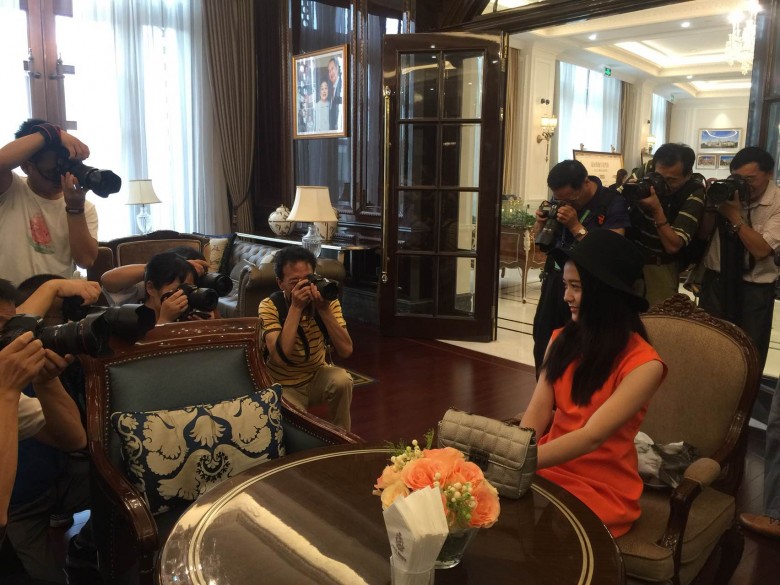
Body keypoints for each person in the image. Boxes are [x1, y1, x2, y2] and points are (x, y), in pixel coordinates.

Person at [518, 230, 666, 538]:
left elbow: (592, 437)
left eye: (576, 287)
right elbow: (537, 411)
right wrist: (516, 449)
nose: (566, 297)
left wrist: (521, 459)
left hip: (600, 488)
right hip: (546, 466)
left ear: (606, 293)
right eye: (565, 285)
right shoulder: (561, 339)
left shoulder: (644, 365)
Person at [692, 146, 780, 540]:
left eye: (751, 179)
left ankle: (737, 436)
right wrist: (712, 207)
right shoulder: (725, 195)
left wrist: (734, 216)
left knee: (747, 361)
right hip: (716, 283)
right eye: (737, 178)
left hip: (754, 290)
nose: (743, 185)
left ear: (768, 174)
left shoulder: (777, 203)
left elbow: (761, 250)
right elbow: (700, 237)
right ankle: (705, 432)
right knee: (709, 357)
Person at [0, 278, 92, 582]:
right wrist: (6, 392)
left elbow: (73, 439)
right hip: (16, 513)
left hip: (52, 486)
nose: (9, 342)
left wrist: (46, 381)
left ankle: (87, 547)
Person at [531, 159, 631, 372]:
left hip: (589, 287)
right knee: (543, 341)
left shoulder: (612, 202)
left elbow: (611, 251)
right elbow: (541, 245)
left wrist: (576, 226)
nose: (566, 203)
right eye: (559, 199)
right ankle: (545, 390)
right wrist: (540, 225)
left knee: (581, 347)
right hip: (556, 280)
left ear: (585, 182)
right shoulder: (561, 198)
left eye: (570, 199)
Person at [258, 246, 353, 430]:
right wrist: (296, 307)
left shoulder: (327, 301)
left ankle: (343, 437)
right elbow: (280, 357)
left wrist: (324, 310)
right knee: (301, 430)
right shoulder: (269, 306)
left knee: (343, 380)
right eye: (294, 283)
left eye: (308, 279)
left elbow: (346, 350)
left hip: (316, 375)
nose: (303, 287)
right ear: (280, 283)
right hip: (284, 385)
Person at [0, 119, 99, 286]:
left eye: (64, 170)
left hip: (56, 299)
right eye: (52, 172)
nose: (60, 178)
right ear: (26, 167)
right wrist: (53, 133)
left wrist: (75, 209)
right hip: (10, 299)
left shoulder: (84, 207)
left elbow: (86, 261)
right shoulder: (11, 189)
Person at [625, 143, 705, 307]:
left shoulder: (695, 192)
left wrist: (656, 209)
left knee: (658, 317)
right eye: (659, 177)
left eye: (671, 180)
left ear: (688, 175)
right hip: (630, 258)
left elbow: (673, 245)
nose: (662, 184)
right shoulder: (648, 169)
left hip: (659, 265)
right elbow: (619, 193)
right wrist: (631, 191)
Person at [328, 57, 343, 131]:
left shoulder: (342, 85)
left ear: (337, 68)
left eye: (332, 69)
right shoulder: (330, 89)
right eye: (329, 71)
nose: (331, 73)